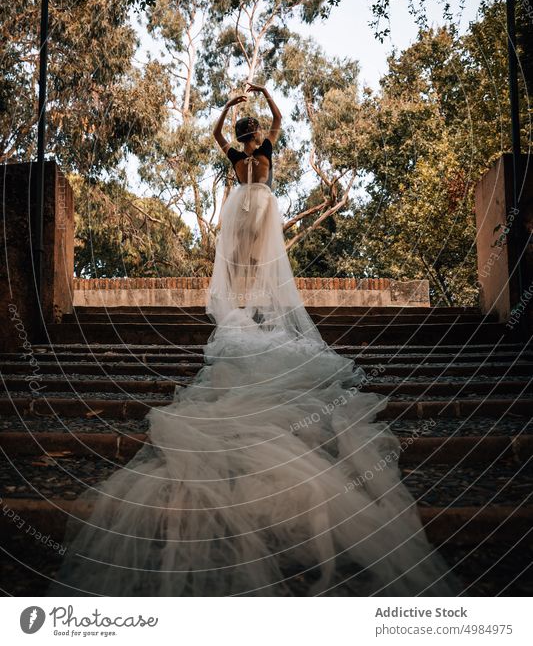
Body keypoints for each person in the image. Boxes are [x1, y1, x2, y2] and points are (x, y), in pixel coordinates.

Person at [50, 85, 460, 597]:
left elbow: (238, 127)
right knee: (254, 263)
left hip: (248, 207)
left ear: (246, 139)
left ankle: (249, 308)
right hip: (253, 206)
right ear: (255, 137)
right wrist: (252, 100)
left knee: (250, 263)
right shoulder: (257, 154)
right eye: (255, 132)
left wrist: (242, 103)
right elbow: (253, 124)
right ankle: (252, 309)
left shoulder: (248, 154)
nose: (256, 137)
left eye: (250, 133)